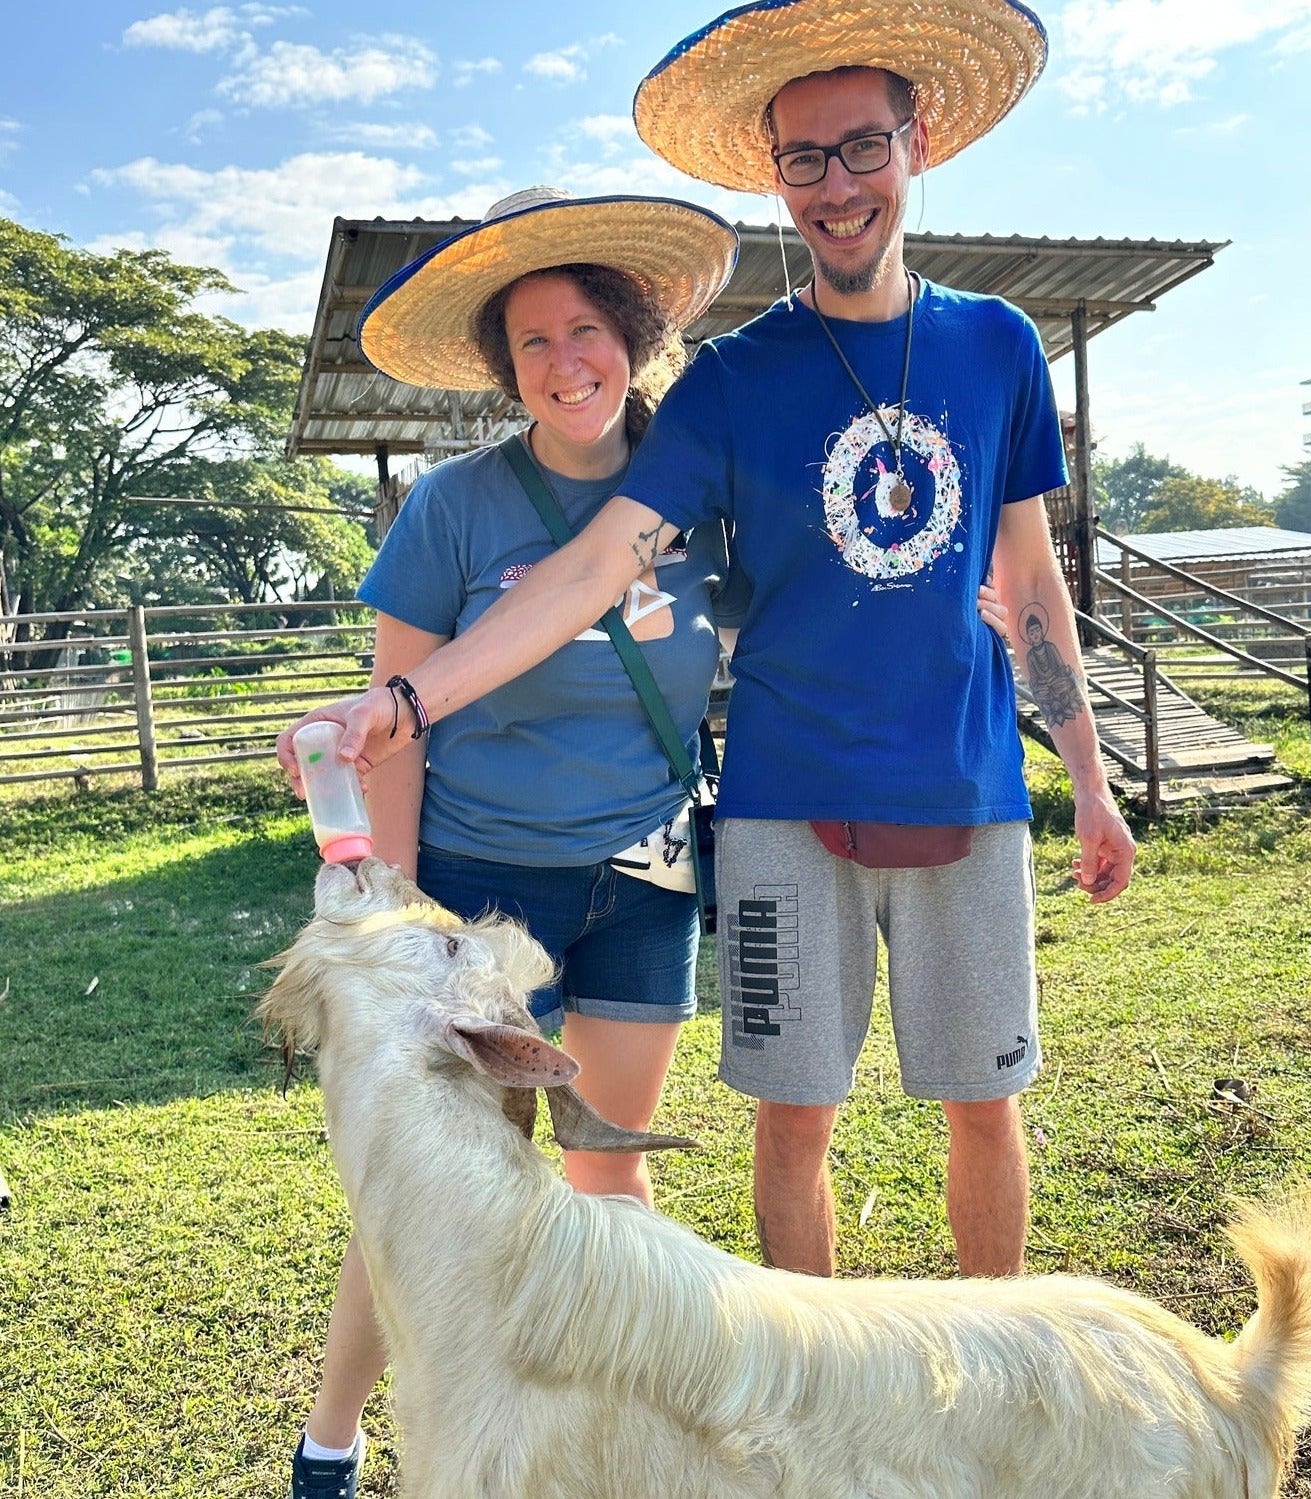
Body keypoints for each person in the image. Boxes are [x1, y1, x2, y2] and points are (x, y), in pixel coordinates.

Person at [278, 0, 1135, 1291]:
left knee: (983, 1104)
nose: (836, 186)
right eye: (804, 159)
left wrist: (1092, 777)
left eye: (862, 148)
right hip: (784, 805)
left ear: (920, 145)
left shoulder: (999, 346)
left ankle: (999, 1373)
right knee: (793, 1122)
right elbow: (591, 569)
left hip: (971, 790)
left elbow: (1027, 579)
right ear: (773, 177)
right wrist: (407, 694)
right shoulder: (732, 382)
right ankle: (815, 1400)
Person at [281, 186, 740, 1499]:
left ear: (635, 334)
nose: (565, 362)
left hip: (646, 879)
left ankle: (623, 1446)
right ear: (502, 365)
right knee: (437, 1185)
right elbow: (398, 725)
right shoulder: (452, 508)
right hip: (484, 895)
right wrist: (403, 920)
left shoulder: (698, 501)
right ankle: (328, 1442)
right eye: (531, 340)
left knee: (608, 1171)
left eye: (588, 327)